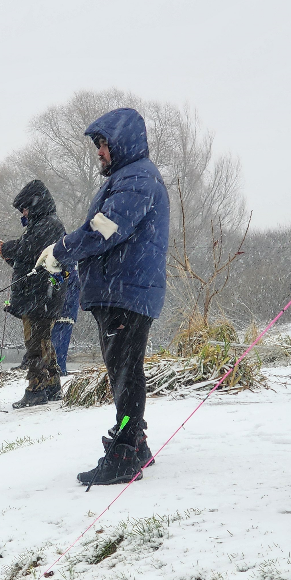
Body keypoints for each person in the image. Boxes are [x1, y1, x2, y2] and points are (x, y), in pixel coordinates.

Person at [36, 108, 170, 485]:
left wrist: (60, 250)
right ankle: (135, 442)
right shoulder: (130, 177)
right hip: (122, 290)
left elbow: (102, 231)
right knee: (125, 372)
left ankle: (126, 450)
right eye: (98, 145)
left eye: (103, 144)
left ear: (122, 143)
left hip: (124, 292)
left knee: (125, 375)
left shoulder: (136, 180)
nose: (99, 152)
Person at [0, 179, 67, 408]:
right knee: (45, 342)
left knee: (36, 345)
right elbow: (31, 263)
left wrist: (9, 249)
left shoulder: (47, 225)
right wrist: (11, 257)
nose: (24, 213)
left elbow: (27, 250)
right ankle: (52, 386)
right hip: (40, 295)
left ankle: (36, 389)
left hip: (41, 297)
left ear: (35, 204)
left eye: (25, 208)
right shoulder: (45, 224)